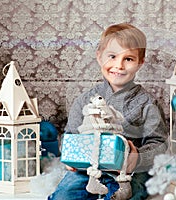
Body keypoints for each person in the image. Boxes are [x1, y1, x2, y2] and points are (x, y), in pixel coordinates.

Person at [48, 23, 169, 200]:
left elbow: (159, 144)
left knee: (131, 194)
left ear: (140, 63)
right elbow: (70, 136)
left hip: (128, 172)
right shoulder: (84, 100)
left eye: (128, 59)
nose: (118, 65)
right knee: (64, 195)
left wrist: (138, 159)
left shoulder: (147, 103)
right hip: (88, 170)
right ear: (99, 57)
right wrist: (70, 157)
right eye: (112, 56)